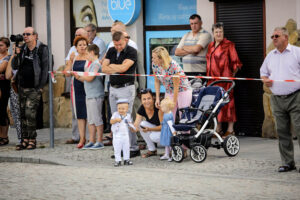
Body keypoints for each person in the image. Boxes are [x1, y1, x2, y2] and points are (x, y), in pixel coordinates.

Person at [260, 27, 300, 173]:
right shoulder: (271, 55)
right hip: (277, 98)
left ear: (286, 37)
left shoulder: (297, 52)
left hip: (296, 96)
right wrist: (265, 80)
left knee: (299, 128)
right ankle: (288, 163)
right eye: (272, 36)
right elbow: (263, 72)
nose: (274, 38)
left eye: (276, 36)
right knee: (282, 131)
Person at [102, 31, 140, 156]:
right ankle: (120, 148)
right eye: (116, 44)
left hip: (126, 87)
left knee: (126, 118)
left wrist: (112, 66)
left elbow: (124, 69)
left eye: (120, 44)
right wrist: (115, 67)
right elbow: (103, 68)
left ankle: (133, 148)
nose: (118, 47)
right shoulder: (111, 50)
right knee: (116, 118)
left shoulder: (131, 51)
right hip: (113, 87)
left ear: (125, 41)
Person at [12, 27, 49, 150]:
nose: (25, 36)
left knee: (30, 113)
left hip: (34, 87)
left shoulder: (42, 49)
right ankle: (24, 139)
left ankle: (32, 139)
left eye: (28, 34)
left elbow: (45, 69)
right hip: (22, 86)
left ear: (35, 36)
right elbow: (15, 66)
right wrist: (16, 55)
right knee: (22, 114)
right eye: (24, 34)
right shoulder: (22, 49)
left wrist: (40, 87)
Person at [206, 22, 242, 137]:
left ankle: (230, 129)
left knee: (228, 104)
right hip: (213, 81)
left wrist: (230, 77)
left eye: (220, 31)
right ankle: (218, 128)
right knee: (216, 104)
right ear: (213, 33)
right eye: (216, 32)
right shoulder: (210, 45)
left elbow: (236, 62)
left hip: (225, 81)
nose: (218, 33)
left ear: (223, 32)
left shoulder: (229, 45)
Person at [72, 44, 104, 149]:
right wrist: (78, 77)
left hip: (96, 95)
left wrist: (83, 76)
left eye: (87, 53)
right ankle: (92, 140)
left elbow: (90, 78)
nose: (86, 55)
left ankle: (99, 141)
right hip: (89, 95)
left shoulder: (96, 64)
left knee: (97, 119)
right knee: (90, 119)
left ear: (92, 52)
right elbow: (86, 79)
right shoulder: (90, 65)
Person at [152, 46, 193, 120]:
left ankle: (184, 131)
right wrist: (157, 98)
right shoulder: (154, 64)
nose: (152, 59)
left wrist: (174, 102)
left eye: (154, 58)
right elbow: (157, 81)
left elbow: (176, 86)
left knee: (183, 116)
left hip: (183, 90)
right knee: (168, 116)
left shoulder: (173, 65)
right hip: (169, 90)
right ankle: (170, 131)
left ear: (161, 58)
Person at [64, 36, 89, 149]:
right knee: (79, 114)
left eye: (84, 44)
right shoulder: (74, 58)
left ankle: (90, 138)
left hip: (88, 87)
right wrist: (69, 60)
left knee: (89, 114)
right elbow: (67, 73)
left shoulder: (90, 57)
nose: (83, 46)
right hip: (77, 88)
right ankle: (82, 138)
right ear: (76, 48)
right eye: (80, 45)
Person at [132, 89, 163, 158]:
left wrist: (149, 129)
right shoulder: (142, 108)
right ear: (141, 100)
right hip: (156, 131)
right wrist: (133, 128)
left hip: (166, 131)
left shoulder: (158, 107)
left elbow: (163, 127)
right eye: (144, 99)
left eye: (149, 98)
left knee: (154, 137)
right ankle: (152, 150)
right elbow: (136, 123)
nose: (146, 101)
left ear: (153, 98)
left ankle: (169, 150)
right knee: (142, 124)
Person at [111, 99, 134, 167]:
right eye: (119, 108)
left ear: (127, 109)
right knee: (117, 147)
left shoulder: (128, 115)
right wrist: (116, 120)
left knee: (126, 147)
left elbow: (129, 123)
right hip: (117, 134)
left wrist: (131, 127)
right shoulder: (115, 114)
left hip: (125, 134)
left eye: (123, 109)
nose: (121, 110)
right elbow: (111, 121)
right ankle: (118, 160)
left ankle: (126, 159)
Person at [5, 55, 22, 145]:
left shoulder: (26, 57)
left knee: (25, 115)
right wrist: (12, 58)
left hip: (25, 88)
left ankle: (28, 138)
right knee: (15, 113)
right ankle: (20, 138)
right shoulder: (13, 59)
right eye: (14, 48)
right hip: (14, 87)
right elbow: (7, 76)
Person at [0, 37, 11, 146]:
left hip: (3, 86)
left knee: (2, 109)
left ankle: (4, 136)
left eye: (1, 45)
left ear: (7, 46)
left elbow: (2, 69)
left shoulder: (8, 57)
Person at [159, 98, 176, 162]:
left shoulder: (167, 115)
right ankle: (167, 154)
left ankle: (172, 154)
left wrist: (173, 131)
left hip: (168, 131)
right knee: (167, 144)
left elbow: (171, 125)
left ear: (167, 108)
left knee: (169, 143)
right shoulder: (167, 113)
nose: (161, 108)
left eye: (162, 106)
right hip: (165, 130)